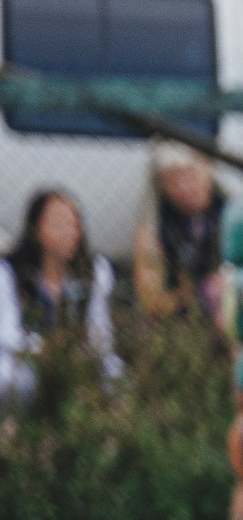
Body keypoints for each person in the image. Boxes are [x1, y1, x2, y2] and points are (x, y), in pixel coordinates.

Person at [3, 188, 124, 404]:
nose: (68, 232)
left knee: (117, 375)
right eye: (57, 224)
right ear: (35, 228)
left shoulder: (95, 272)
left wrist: (85, 353)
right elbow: (7, 333)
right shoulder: (9, 273)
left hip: (79, 358)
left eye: (73, 223)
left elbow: (100, 329)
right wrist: (47, 351)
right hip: (27, 358)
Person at [133, 140, 228, 320]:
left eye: (191, 175)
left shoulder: (228, 208)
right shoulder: (157, 218)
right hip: (179, 311)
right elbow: (149, 294)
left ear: (206, 170)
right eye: (173, 181)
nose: (184, 188)